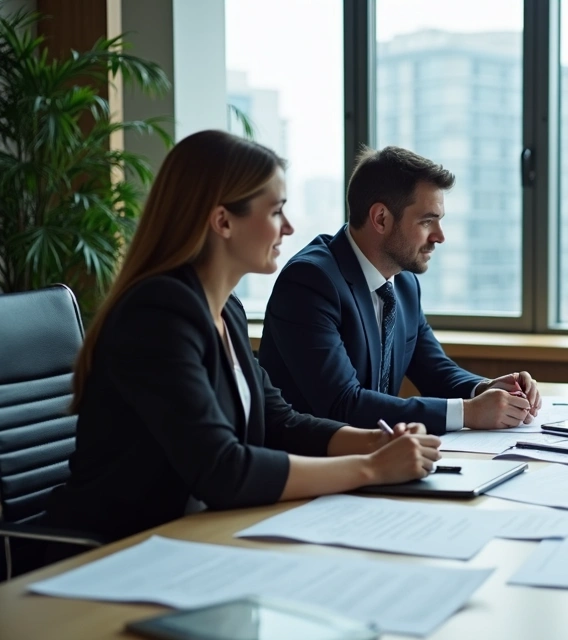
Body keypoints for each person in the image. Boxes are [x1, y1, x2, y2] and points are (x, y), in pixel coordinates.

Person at [44, 131, 441, 544]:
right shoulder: (157, 314)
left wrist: (375, 441)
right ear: (223, 221)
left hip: (203, 534)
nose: (288, 228)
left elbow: (279, 422)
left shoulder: (224, 307)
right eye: (275, 212)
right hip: (118, 549)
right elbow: (223, 470)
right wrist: (372, 468)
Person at [257, 146, 540, 434]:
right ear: (380, 218)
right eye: (427, 221)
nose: (440, 237)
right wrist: (467, 412)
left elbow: (435, 370)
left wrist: (486, 388)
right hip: (310, 464)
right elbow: (342, 404)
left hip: (376, 459)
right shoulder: (309, 282)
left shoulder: (403, 283)